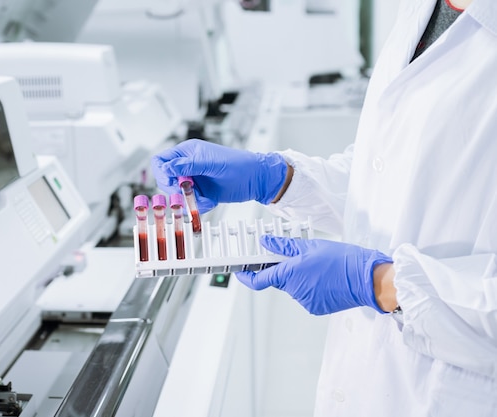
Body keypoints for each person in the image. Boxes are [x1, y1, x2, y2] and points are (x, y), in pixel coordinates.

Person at [151, 0, 497, 415]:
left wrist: (383, 283)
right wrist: (279, 179)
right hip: (369, 381)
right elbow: (388, 174)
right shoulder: (422, 11)